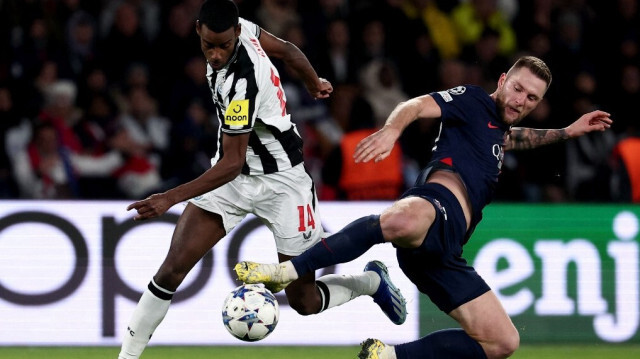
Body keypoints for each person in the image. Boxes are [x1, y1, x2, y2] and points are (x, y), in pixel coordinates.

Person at [235, 56, 613, 359]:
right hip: (437, 205)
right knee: (403, 217)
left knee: (502, 342)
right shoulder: (473, 100)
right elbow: (414, 105)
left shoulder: (498, 132)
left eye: (532, 99)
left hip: (444, 252)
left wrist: (568, 131)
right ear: (502, 80)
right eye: (518, 89)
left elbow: (518, 139)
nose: (521, 101)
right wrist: (391, 130)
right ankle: (289, 271)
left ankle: (389, 355)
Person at [118, 1, 406, 358]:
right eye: (210, 45)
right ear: (198, 30)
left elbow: (232, 162)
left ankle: (371, 281)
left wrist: (169, 198)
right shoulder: (244, 28)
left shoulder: (242, 81)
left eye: (224, 45)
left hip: (283, 183)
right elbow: (288, 51)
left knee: (303, 300)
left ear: (236, 34)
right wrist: (314, 82)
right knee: (171, 270)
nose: (217, 54)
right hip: (235, 182)